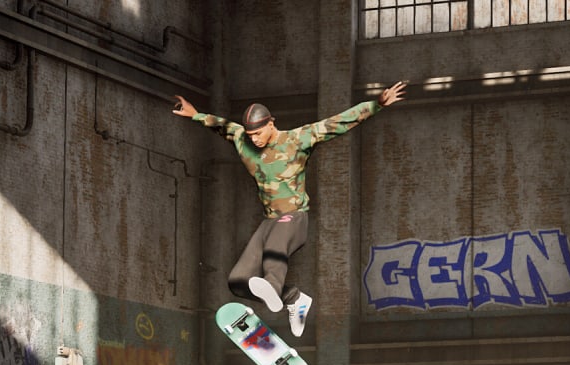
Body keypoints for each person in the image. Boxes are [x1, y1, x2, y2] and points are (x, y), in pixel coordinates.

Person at [172, 81, 408, 336]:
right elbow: (222, 126)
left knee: (275, 245)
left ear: (271, 124)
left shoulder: (296, 140)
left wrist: (377, 104)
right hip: (269, 221)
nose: (255, 139)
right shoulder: (242, 138)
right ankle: (294, 298)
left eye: (259, 133)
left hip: (294, 219)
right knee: (238, 281)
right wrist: (195, 115)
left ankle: (273, 287)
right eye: (251, 135)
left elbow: (336, 123)